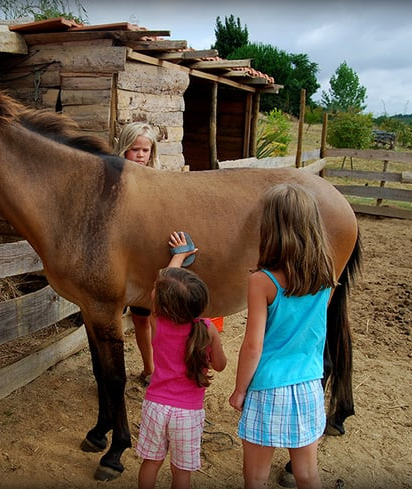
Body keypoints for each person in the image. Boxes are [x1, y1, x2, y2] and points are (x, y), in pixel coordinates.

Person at [228, 183, 337, 489]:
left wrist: (239, 390)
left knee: (256, 478)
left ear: (270, 228)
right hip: (309, 386)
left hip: (268, 389)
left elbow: (253, 344)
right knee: (307, 474)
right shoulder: (327, 274)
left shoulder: (262, 281)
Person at [136, 232, 228, 489]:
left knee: (150, 463)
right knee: (181, 473)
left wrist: (177, 256)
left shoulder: (157, 321)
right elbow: (220, 365)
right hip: (188, 414)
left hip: (155, 407)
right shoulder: (206, 328)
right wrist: (214, 343)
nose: (154, 289)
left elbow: (162, 280)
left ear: (162, 303)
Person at [113, 122, 160, 385]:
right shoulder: (116, 182)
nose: (141, 155)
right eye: (135, 150)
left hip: (156, 261)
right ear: (124, 150)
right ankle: (149, 368)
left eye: (146, 150)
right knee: (140, 320)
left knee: (160, 321)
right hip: (131, 264)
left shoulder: (161, 182)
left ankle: (166, 371)